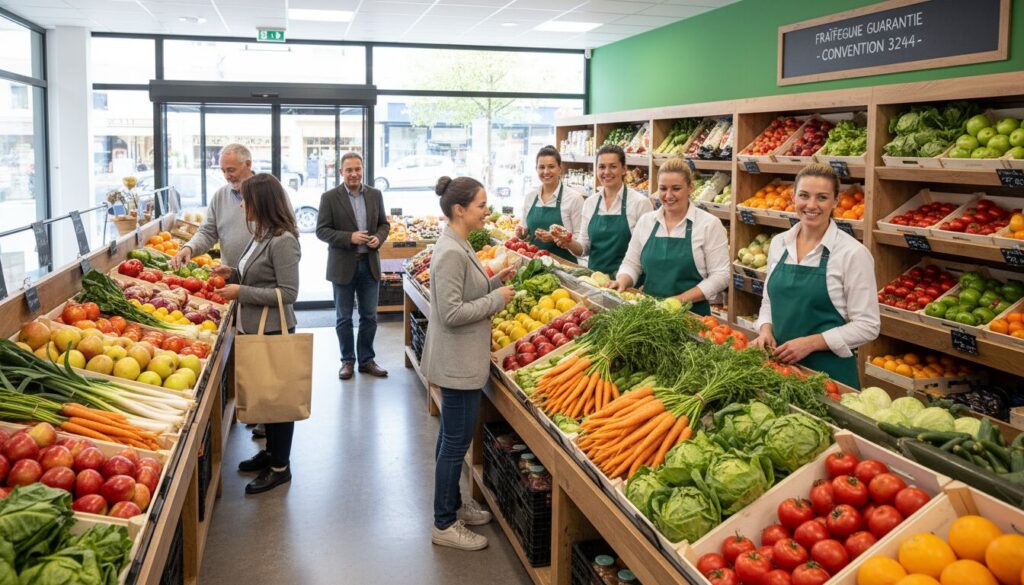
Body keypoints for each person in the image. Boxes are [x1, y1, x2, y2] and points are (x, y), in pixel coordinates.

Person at [420, 176, 516, 551]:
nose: (486, 211)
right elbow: (451, 313)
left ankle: (454, 505)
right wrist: (498, 300)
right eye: (481, 205)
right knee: (454, 444)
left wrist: (493, 281)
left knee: (451, 438)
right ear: (459, 210)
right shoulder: (450, 251)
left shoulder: (459, 244)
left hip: (462, 360)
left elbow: (463, 293)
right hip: (457, 364)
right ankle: (443, 524)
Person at [212, 173, 301, 495]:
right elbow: (255, 274)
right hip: (255, 326)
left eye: (246, 200)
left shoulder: (283, 240)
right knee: (265, 394)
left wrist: (241, 291)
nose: (242, 207)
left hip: (275, 329)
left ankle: (281, 467)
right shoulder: (261, 234)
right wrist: (232, 273)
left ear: (260, 202)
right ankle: (270, 453)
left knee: (279, 399)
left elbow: (288, 293)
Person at [752, 163, 879, 388]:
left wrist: (812, 343)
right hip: (780, 367)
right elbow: (770, 301)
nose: (811, 205)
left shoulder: (852, 253)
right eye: (804, 196)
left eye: (821, 197)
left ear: (835, 201)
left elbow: (868, 325)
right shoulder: (779, 243)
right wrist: (765, 329)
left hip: (828, 376)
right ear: (793, 197)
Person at [609, 157, 730, 315]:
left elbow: (721, 275)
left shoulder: (709, 224)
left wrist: (680, 300)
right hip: (648, 312)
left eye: (676, 188)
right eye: (663, 188)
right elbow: (632, 263)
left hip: (691, 315)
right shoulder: (646, 221)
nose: (668, 195)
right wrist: (622, 280)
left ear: (690, 187)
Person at [315, 152, 391, 380]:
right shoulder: (329, 197)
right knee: (344, 318)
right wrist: (350, 237)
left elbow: (384, 224)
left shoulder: (375, 195)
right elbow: (321, 230)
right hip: (343, 266)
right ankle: (347, 360)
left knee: (369, 316)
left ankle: (367, 360)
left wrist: (379, 237)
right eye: (349, 170)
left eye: (357, 169)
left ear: (362, 170)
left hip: (369, 265)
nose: (354, 174)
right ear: (341, 172)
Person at [556, 144, 652, 275]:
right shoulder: (590, 203)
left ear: (624, 169)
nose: (606, 172)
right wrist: (568, 242)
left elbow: (647, 251)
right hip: (595, 281)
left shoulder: (640, 203)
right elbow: (584, 248)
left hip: (628, 283)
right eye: (601, 167)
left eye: (613, 166)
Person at [174, 143, 255, 269]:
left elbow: (285, 234)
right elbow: (207, 232)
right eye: (223, 171)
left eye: (231, 170)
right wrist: (190, 248)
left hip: (263, 282)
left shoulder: (270, 193)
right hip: (229, 277)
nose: (227, 176)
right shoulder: (220, 196)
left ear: (248, 164)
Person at [514, 146, 584, 263]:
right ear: (536, 169)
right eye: (541, 167)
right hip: (534, 264)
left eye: (551, 166)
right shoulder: (530, 197)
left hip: (564, 267)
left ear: (560, 168)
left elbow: (580, 247)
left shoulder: (574, 199)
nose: (546, 172)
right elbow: (526, 232)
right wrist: (522, 234)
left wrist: (556, 237)